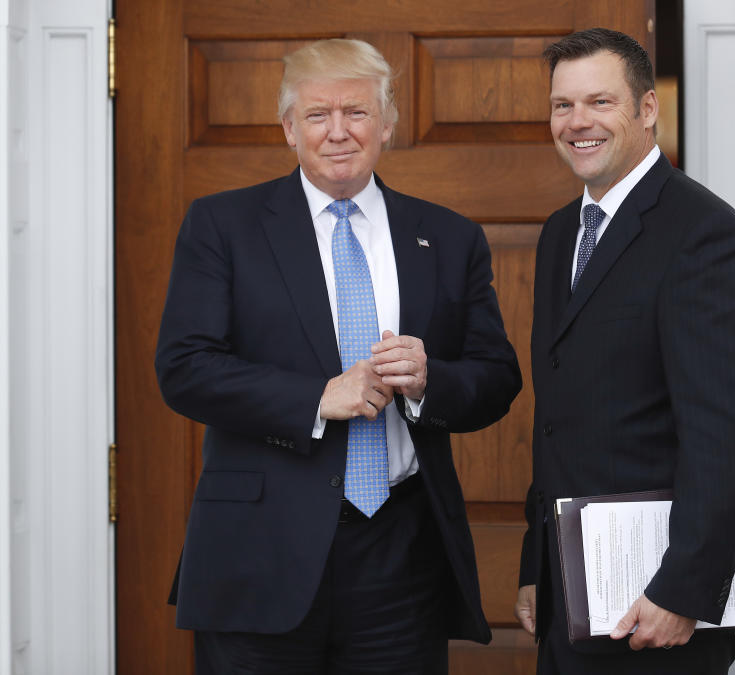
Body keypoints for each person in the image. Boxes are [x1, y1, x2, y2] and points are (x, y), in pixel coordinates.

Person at [156, 38, 522, 674]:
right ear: (289, 128)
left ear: (386, 124)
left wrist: (430, 381)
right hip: (259, 554)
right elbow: (184, 369)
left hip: (400, 553)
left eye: (356, 112)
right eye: (318, 115)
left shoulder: (449, 236)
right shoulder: (223, 226)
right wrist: (316, 399)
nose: (338, 132)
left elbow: (497, 378)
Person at [514, 27, 735, 674]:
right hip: (572, 594)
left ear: (647, 108)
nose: (578, 122)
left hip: (656, 603)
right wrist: (536, 565)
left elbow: (725, 435)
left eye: (600, 102)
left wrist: (682, 588)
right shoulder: (557, 235)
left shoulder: (704, 234)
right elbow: (556, 422)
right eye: (562, 105)